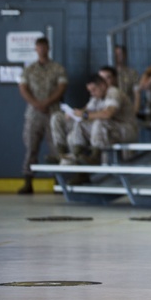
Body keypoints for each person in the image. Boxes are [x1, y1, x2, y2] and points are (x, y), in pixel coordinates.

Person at [50, 72, 137, 167]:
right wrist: (74, 113)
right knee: (63, 119)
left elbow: (107, 114)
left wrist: (85, 115)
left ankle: (95, 157)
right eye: (90, 91)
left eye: (94, 90)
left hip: (125, 129)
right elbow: (86, 110)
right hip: (109, 129)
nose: (92, 93)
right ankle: (69, 155)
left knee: (100, 122)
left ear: (103, 85)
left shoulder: (113, 92)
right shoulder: (96, 96)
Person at [17, 36, 68, 194]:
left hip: (53, 112)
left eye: (44, 47)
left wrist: (47, 102)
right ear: (35, 49)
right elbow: (23, 88)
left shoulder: (57, 68)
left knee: (56, 146)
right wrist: (36, 103)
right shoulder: (29, 69)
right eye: (39, 47)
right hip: (34, 113)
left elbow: (62, 86)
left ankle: (57, 181)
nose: (41, 50)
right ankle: (28, 181)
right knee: (31, 146)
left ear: (48, 48)